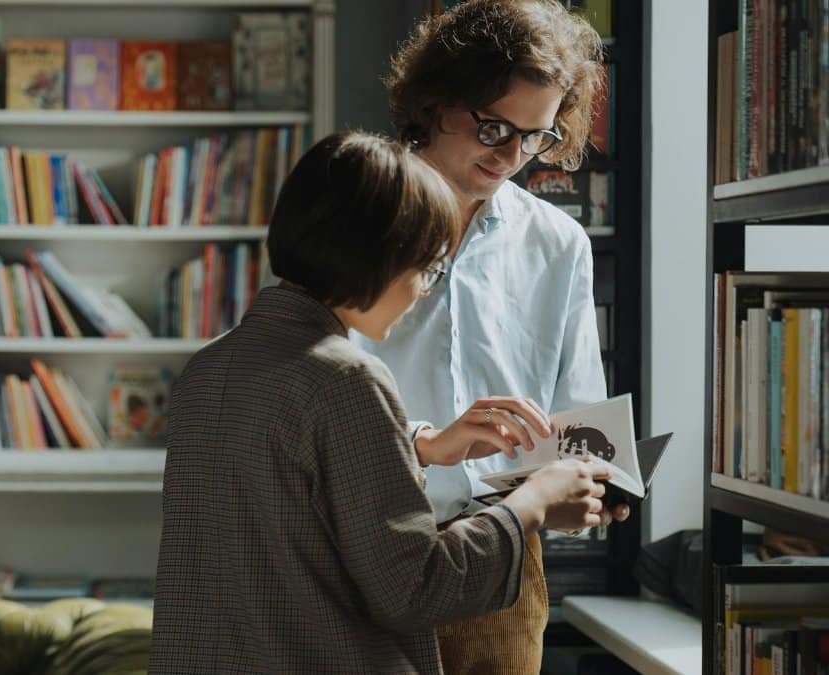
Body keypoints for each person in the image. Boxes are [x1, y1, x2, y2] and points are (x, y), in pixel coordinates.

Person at [150, 130, 616, 673]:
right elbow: (415, 590)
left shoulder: (207, 368)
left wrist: (420, 445)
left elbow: (290, 518)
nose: (423, 289)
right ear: (379, 256)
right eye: (426, 268)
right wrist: (531, 503)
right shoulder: (349, 378)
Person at [357, 1, 630, 672]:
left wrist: (586, 492)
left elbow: (577, 415)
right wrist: (427, 441)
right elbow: (299, 384)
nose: (511, 156)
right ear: (436, 101)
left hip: (500, 559)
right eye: (493, 126)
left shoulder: (558, 243)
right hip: (363, 549)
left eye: (534, 136)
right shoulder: (353, 208)